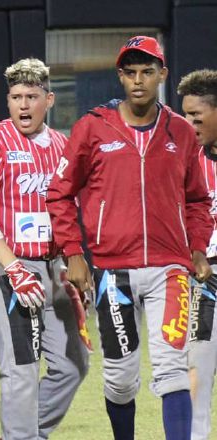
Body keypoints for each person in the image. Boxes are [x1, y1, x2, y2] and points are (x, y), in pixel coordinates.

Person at [46, 36, 213, 440]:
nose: (139, 81)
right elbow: (59, 192)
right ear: (120, 75)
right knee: (120, 380)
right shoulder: (93, 128)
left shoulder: (180, 131)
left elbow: (197, 198)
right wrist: (73, 252)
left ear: (162, 75)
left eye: (148, 72)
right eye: (131, 72)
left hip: (170, 269)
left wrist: (197, 248)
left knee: (172, 368)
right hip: (114, 272)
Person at [0, 58, 89, 440]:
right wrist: (13, 267)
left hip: (54, 269)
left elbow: (71, 209)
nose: (23, 105)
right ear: (8, 100)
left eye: (32, 96)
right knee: (21, 367)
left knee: (73, 364)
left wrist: (74, 260)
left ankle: (23, 434)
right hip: (5, 267)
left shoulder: (64, 146)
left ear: (48, 99)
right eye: (16, 97)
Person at [177, 68, 217, 440]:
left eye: (196, 116)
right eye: (184, 115)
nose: (188, 124)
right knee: (196, 375)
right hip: (203, 283)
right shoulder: (185, 161)